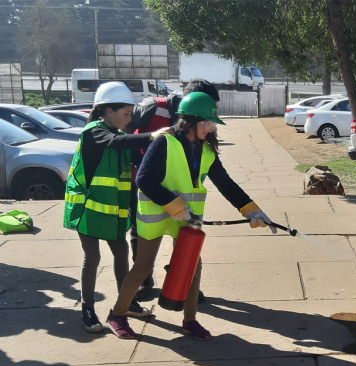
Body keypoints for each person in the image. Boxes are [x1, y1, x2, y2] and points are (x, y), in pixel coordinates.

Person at [106, 92, 276, 340]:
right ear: (191, 121)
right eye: (207, 123)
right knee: (143, 268)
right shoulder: (165, 142)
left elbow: (225, 183)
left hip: (187, 219)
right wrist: (175, 207)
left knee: (193, 267)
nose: (211, 129)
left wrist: (251, 210)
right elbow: (143, 179)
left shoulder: (205, 150)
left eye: (212, 124)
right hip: (156, 215)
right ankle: (118, 314)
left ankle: (190, 320)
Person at [63, 81, 171, 333]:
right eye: (125, 113)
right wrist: (155, 135)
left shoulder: (121, 137)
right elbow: (113, 142)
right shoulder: (93, 133)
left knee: (121, 254)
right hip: (87, 210)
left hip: (112, 213)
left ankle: (127, 302)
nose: (129, 118)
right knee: (93, 258)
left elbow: (141, 161)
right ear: (108, 111)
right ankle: (87, 310)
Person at [124, 79, 220, 301]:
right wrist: (133, 160)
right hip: (145, 183)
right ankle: (144, 280)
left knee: (186, 250)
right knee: (142, 234)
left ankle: (179, 282)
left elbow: (217, 172)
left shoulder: (200, 130)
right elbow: (126, 128)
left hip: (177, 194)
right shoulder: (152, 107)